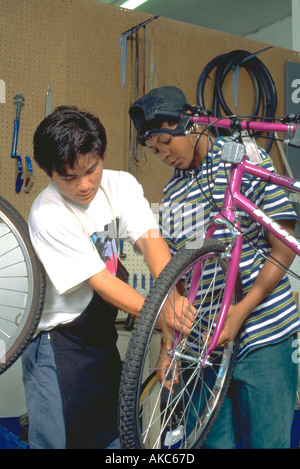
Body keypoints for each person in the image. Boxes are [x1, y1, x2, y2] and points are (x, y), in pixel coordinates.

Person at [129, 86, 300, 449]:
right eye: (154, 149)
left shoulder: (245, 163)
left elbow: (284, 246)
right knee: (211, 443)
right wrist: (167, 344)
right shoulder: (174, 195)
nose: (163, 155)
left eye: (165, 143)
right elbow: (176, 277)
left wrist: (240, 311)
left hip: (264, 333)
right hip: (203, 345)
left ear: (189, 125)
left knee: (268, 442)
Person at [21, 105, 195, 449]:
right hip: (58, 346)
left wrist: (169, 332)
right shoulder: (47, 214)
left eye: (91, 170)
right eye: (69, 177)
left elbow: (151, 244)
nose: (84, 185)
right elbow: (102, 281)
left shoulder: (120, 185)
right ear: (48, 172)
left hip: (99, 336)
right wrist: (164, 315)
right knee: (65, 442)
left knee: (116, 437)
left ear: (101, 155)